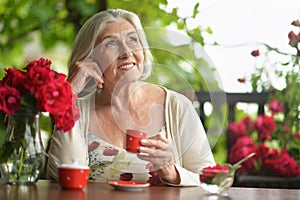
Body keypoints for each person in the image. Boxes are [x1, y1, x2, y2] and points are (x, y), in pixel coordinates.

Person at [47, 8, 215, 186]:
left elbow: (211, 181)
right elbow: (61, 175)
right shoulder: (76, 109)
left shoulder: (176, 106)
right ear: (91, 58)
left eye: (133, 40)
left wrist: (172, 172)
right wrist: (69, 94)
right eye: (110, 44)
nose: (126, 53)